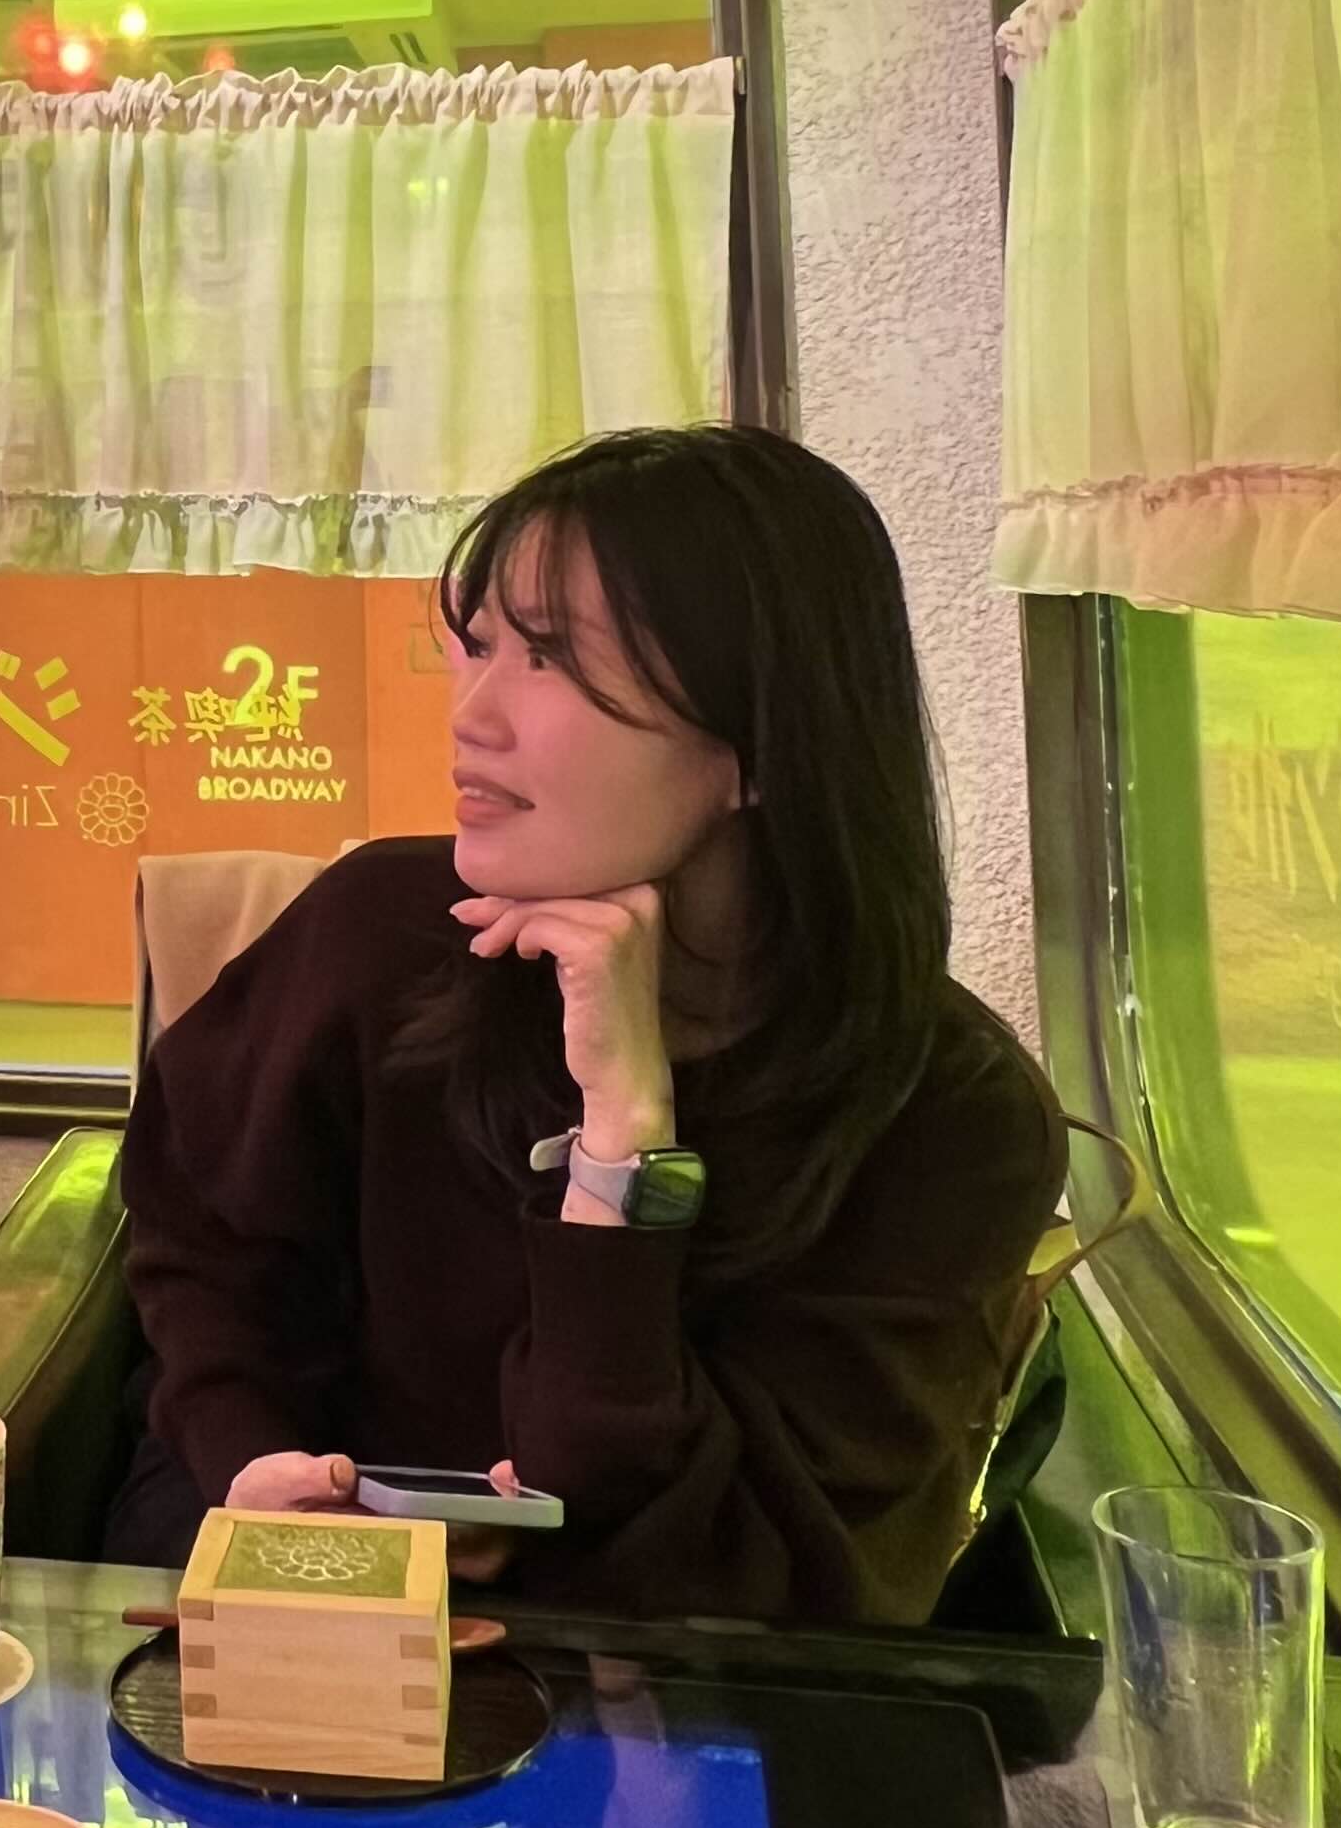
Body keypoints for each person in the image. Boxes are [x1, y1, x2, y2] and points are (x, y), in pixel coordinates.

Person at [108, 425, 1067, 1623]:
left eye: (548, 657)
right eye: (475, 646)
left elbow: (752, 1583)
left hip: (643, 1669)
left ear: (756, 741)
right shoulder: (379, 932)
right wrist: (255, 1466)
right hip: (278, 1581)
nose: (471, 713)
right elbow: (206, 1253)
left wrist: (621, 1143)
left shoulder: (951, 1116)